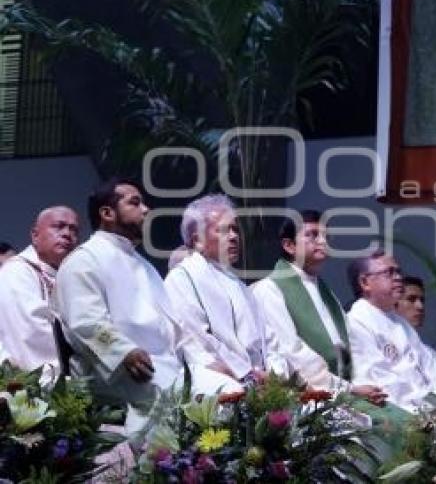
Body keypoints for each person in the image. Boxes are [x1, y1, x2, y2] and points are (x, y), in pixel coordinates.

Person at [54, 179, 240, 433]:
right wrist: (123, 352)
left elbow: (176, 328)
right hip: (120, 373)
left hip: (166, 367)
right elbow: (86, 323)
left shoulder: (145, 266)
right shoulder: (84, 260)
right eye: (134, 202)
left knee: (232, 391)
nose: (146, 210)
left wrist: (205, 361)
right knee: (209, 404)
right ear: (107, 213)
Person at [252, 210, 385, 404]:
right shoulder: (269, 289)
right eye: (313, 235)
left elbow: (351, 341)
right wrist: (349, 389)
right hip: (312, 395)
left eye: (325, 236)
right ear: (289, 245)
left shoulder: (324, 291)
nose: (323, 241)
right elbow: (291, 350)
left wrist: (365, 383)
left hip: (351, 389)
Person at [164, 194, 288, 380]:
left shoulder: (239, 285)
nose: (234, 237)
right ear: (197, 240)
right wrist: (247, 374)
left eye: (235, 230)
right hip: (223, 382)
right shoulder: (182, 279)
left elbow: (269, 341)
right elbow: (195, 339)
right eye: (223, 230)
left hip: (263, 385)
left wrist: (275, 375)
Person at [346, 249, 436, 411]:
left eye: (398, 271)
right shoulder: (356, 322)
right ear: (365, 282)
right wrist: (430, 408)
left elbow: (430, 367)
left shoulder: (400, 322)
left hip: (434, 409)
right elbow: (381, 384)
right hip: (402, 416)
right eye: (389, 272)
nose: (398, 277)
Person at [0, 207, 79, 375]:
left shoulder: (72, 276)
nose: (67, 234)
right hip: (33, 384)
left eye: (74, 230)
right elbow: (32, 333)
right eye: (59, 226)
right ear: (35, 235)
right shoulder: (16, 271)